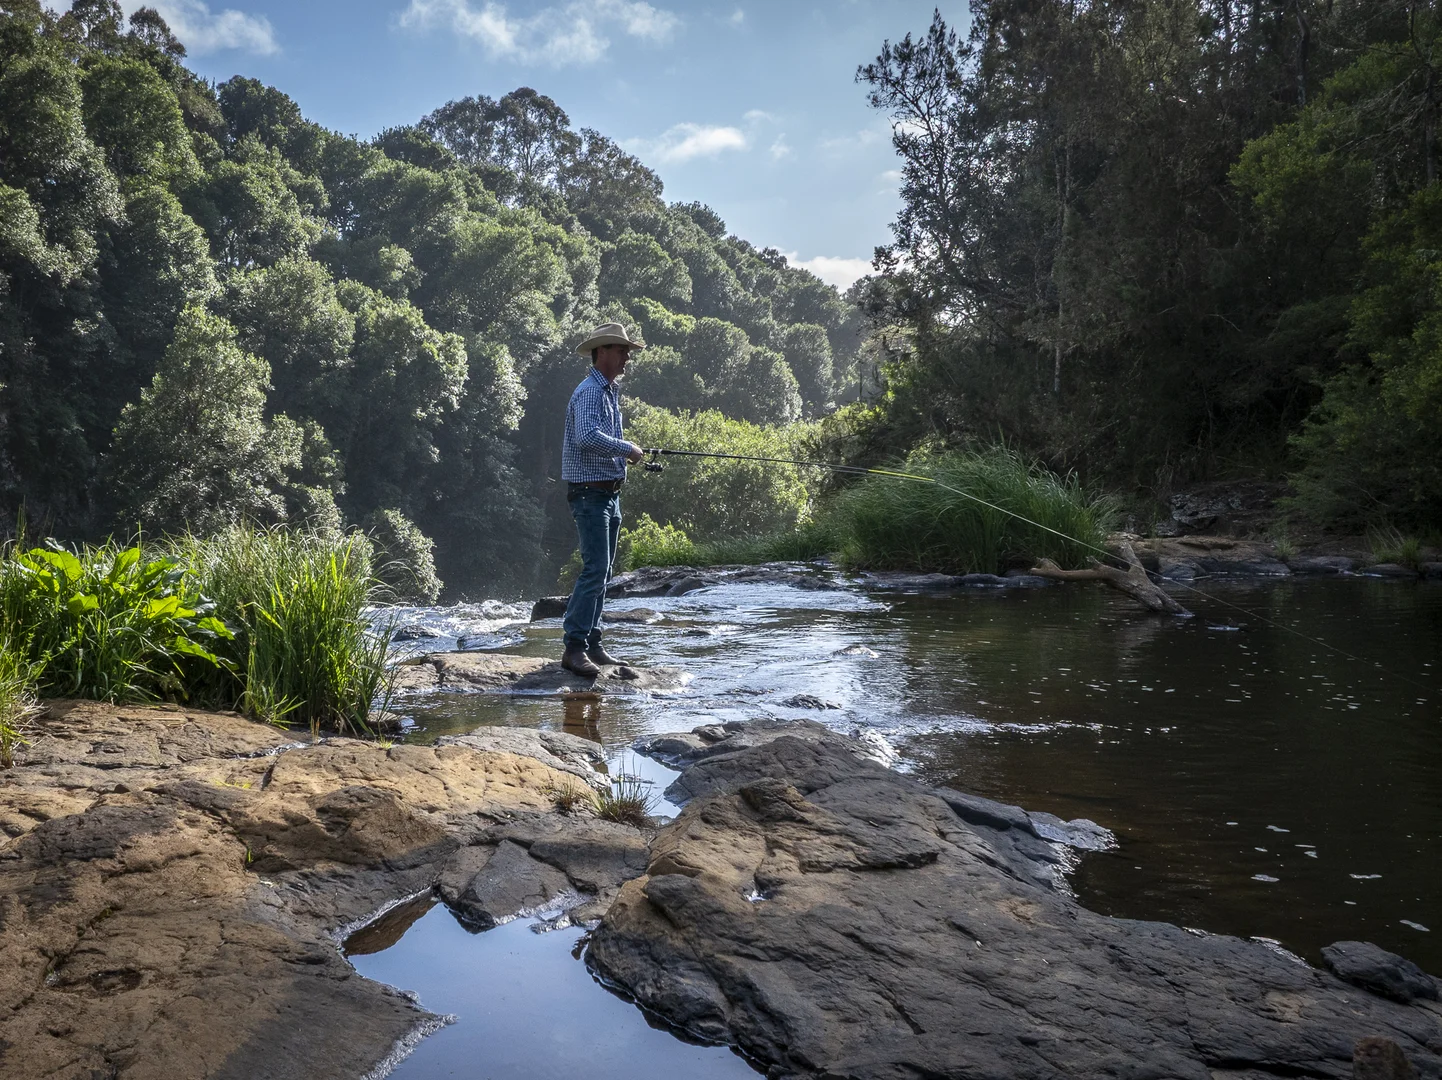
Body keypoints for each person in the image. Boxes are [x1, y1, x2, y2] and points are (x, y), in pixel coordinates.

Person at [559, 322, 647, 677]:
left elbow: (599, 439)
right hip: (590, 495)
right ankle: (574, 648)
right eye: (623, 350)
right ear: (604, 352)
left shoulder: (609, 392)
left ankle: (593, 644)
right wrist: (628, 449)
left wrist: (624, 455)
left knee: (604, 571)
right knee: (595, 569)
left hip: (608, 495)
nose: (628, 357)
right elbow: (585, 437)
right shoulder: (590, 391)